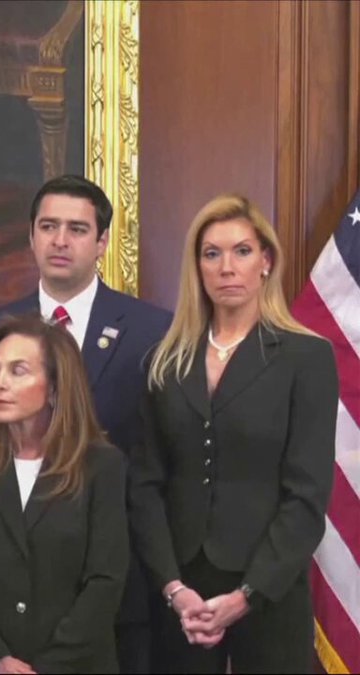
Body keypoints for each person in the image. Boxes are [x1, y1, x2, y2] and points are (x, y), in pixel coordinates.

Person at [0, 174, 171, 673]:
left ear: (102, 242)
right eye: (48, 226)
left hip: (110, 577)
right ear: (30, 236)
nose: (60, 240)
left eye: (77, 229)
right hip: (6, 581)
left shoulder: (151, 330)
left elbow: (158, 453)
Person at [129, 195, 338, 673]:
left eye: (242, 251)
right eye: (212, 253)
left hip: (270, 587)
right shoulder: (166, 361)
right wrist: (173, 589)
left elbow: (307, 494)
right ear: (197, 267)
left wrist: (247, 595)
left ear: (266, 261)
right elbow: (145, 485)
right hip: (182, 593)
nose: (227, 267)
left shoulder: (305, 357)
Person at [0, 315, 128, 674]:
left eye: (18, 370)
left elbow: (105, 581)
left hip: (75, 665)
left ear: (55, 388)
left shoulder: (101, 466)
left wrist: (46, 667)